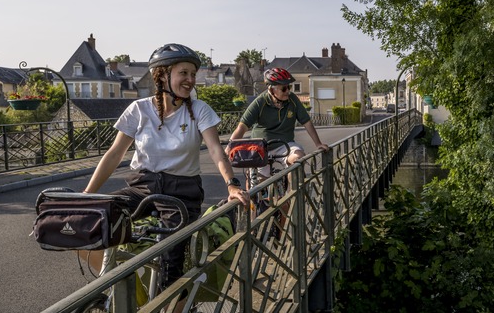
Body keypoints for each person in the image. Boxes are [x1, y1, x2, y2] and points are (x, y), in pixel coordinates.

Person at [84, 43, 248, 289]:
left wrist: (232, 185)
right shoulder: (139, 109)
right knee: (88, 224)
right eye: (184, 73)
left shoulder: (199, 111)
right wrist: (87, 195)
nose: (190, 80)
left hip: (181, 193)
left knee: (172, 266)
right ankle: (126, 295)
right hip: (142, 189)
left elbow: (216, 150)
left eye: (192, 74)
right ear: (162, 76)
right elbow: (115, 154)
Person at [227, 67, 329, 177]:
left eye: (289, 87)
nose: (288, 91)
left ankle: (292, 192)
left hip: (285, 144)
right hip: (262, 147)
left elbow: (307, 122)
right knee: (257, 182)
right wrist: (229, 147)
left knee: (297, 161)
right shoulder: (260, 102)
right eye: (284, 89)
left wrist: (318, 144)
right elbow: (242, 127)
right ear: (271, 90)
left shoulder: (292, 100)